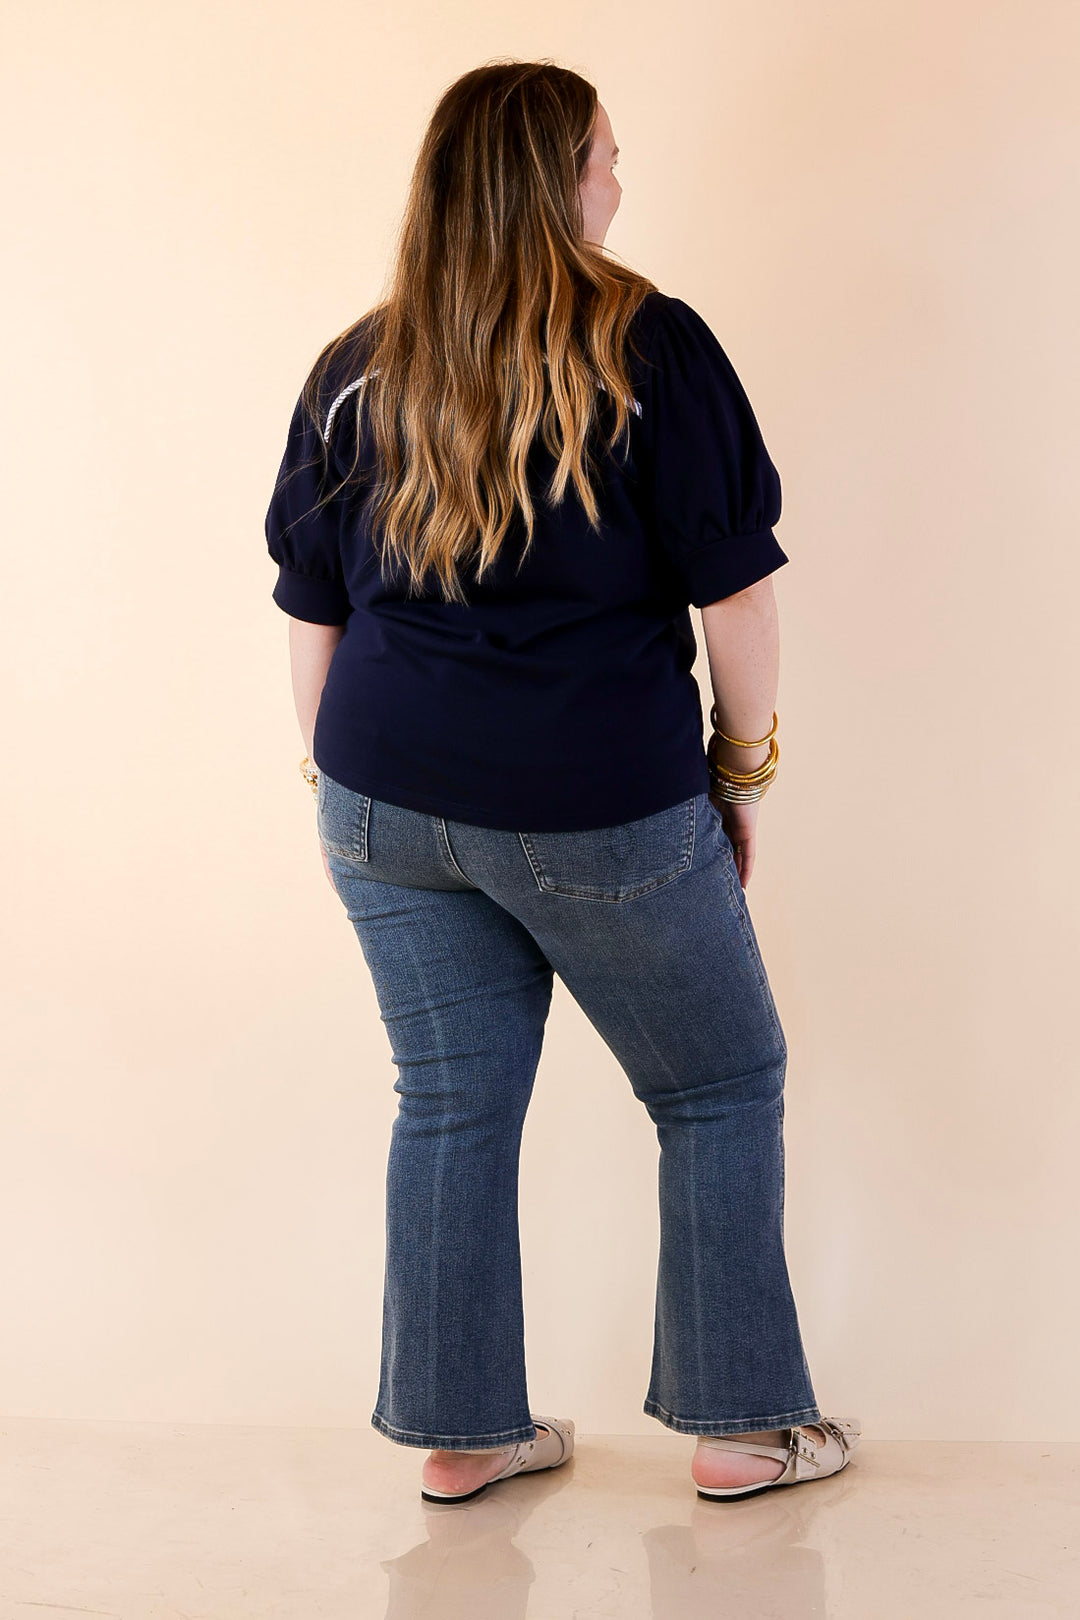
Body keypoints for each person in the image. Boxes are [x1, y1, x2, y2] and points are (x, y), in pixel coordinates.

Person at [263, 59, 860, 1505]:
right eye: (603, 156)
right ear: (550, 179)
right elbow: (738, 600)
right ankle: (742, 1432)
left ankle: (462, 1436)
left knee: (451, 1098)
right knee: (719, 1083)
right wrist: (743, 774)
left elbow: (310, 606)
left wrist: (344, 789)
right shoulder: (652, 347)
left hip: (381, 798)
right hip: (597, 802)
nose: (618, 182)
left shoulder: (359, 366)